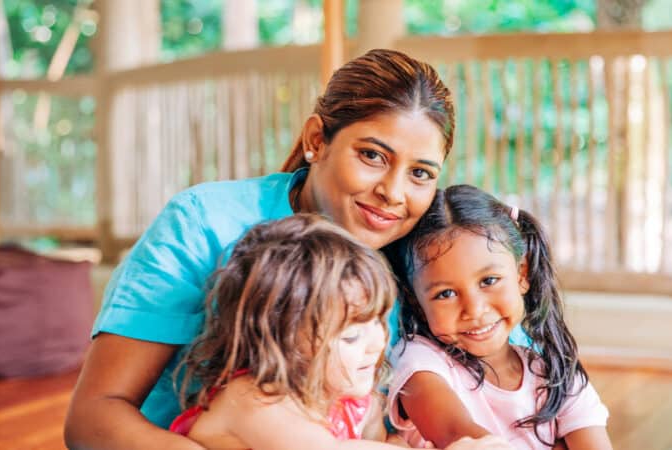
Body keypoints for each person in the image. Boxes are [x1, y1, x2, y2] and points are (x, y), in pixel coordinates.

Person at [64, 48, 458, 450]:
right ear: (317, 140)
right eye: (372, 155)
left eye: (420, 173)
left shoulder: (420, 261)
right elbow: (93, 419)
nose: (392, 193)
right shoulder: (205, 224)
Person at [165, 214, 513, 450]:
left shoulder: (351, 396)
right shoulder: (253, 400)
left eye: (378, 320)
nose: (375, 344)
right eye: (350, 337)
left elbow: (376, 441)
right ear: (282, 342)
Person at [383, 185, 612, 450]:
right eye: (445, 293)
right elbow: (459, 436)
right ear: (416, 301)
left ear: (521, 275)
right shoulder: (418, 362)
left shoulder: (556, 374)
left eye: (489, 280)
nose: (475, 310)